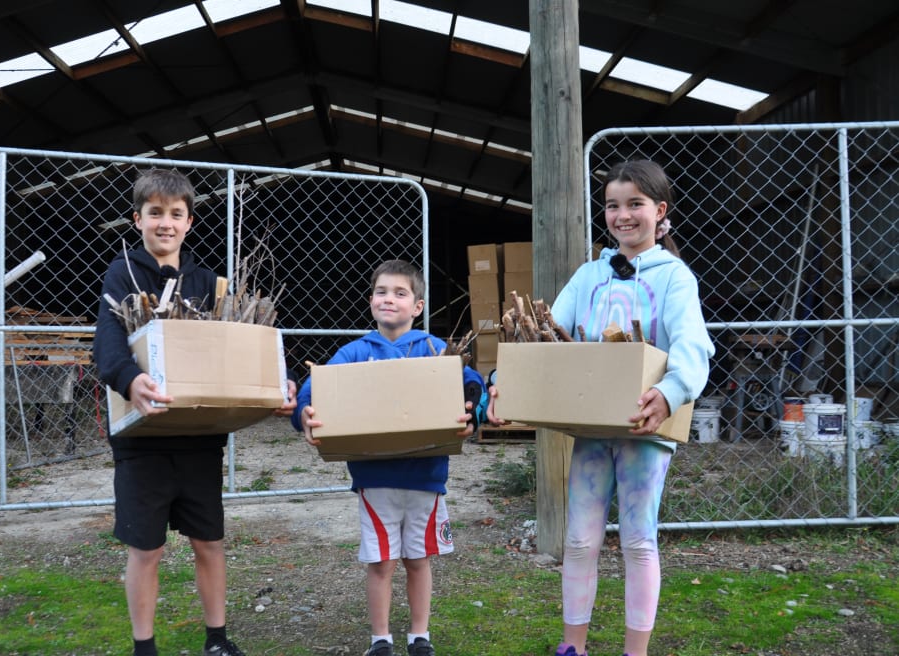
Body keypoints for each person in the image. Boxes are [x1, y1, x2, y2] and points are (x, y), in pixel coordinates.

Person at [488, 160, 714, 656]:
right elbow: (543, 338)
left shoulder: (675, 277)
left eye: (635, 204)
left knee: (637, 542)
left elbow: (693, 347)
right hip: (590, 429)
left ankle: (636, 652)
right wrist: (503, 384)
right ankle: (574, 648)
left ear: (660, 211)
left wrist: (671, 392)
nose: (623, 215)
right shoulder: (590, 275)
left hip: (644, 430)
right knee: (580, 541)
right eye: (613, 205)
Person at [94, 168, 297, 656]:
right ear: (137, 219)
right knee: (147, 549)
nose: (166, 223)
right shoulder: (123, 274)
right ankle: (145, 646)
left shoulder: (208, 283)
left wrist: (273, 384)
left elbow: (237, 350)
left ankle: (218, 639)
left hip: (200, 440)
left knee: (209, 541)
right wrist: (130, 379)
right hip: (142, 442)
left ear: (189, 222)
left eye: (176, 215)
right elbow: (107, 345)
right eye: (156, 213)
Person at [291, 259, 487, 656]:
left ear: (417, 305)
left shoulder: (435, 349)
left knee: (419, 559)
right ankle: (380, 639)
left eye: (400, 293)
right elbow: (315, 389)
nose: (389, 300)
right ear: (370, 301)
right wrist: (303, 415)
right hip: (374, 477)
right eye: (382, 292)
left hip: (426, 475)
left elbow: (471, 382)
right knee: (381, 563)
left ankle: (420, 637)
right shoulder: (353, 353)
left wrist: (473, 409)